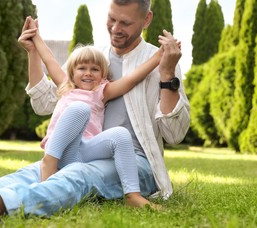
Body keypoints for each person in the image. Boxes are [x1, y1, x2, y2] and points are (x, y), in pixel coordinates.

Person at [0, 0, 190, 220]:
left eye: (125, 23)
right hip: (86, 150)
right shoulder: (95, 60)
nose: (115, 28)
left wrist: (166, 73)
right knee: (39, 169)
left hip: (137, 164)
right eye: (111, 18)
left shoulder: (162, 62)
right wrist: (33, 51)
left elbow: (174, 135)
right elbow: (47, 103)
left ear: (147, 19)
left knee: (78, 174)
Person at [26, 17, 173, 209]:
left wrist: (158, 56)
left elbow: (131, 78)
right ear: (72, 72)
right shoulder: (66, 86)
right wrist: (35, 36)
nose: (88, 73)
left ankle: (133, 196)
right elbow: (49, 59)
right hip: (62, 150)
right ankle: (49, 164)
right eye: (82, 68)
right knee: (79, 109)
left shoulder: (102, 92)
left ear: (103, 74)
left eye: (95, 69)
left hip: (84, 152)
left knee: (121, 134)